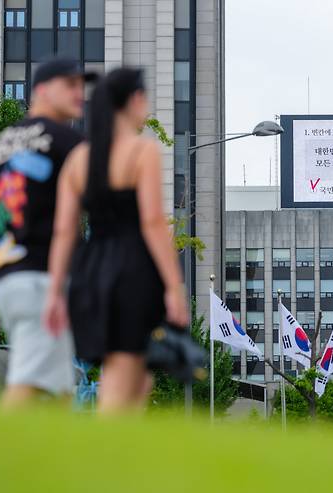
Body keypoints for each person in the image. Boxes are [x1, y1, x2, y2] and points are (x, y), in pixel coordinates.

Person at [44, 68, 189, 415]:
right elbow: (153, 222)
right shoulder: (142, 152)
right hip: (132, 270)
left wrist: (54, 292)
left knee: (138, 378)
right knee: (123, 373)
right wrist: (174, 286)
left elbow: (64, 231)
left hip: (90, 272)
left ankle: (121, 457)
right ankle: (99, 459)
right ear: (134, 100)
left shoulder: (78, 158)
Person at [0, 58, 96, 410]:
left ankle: (56, 459)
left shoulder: (2, 142)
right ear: (41, 89)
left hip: (7, 273)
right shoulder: (67, 141)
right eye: (69, 84)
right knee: (27, 384)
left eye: (81, 85)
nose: (79, 93)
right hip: (41, 277)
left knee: (58, 387)